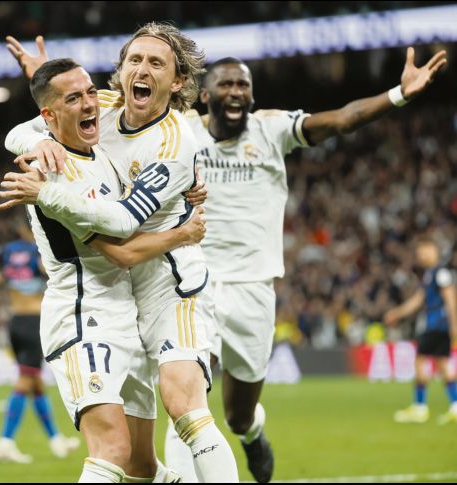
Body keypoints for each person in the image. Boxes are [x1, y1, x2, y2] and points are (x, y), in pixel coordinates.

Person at [163, 47, 448, 483]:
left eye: (243, 85)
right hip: (195, 286)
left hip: (254, 289)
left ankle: (252, 432)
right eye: (226, 84)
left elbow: (343, 119)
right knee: (186, 402)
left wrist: (398, 94)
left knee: (238, 415)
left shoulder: (271, 129)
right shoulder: (181, 133)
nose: (236, 91)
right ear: (205, 95)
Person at [1, 23, 238, 482]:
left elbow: (124, 225)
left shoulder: (174, 142)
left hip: (169, 285)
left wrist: (180, 235)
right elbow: (21, 131)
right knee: (137, 463)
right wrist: (41, 137)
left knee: (185, 407)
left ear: (178, 82)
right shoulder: (104, 107)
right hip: (116, 296)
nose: (142, 70)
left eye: (156, 63)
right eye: (134, 60)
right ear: (121, 69)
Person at [0, 218, 80, 464]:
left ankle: (56, 440)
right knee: (25, 382)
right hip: (35, 322)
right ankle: (5, 442)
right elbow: (53, 272)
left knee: (36, 384)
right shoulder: (41, 250)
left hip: (15, 321)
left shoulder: (6, 251)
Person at [384, 236, 457, 424]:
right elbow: (418, 300)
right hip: (438, 325)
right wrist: (398, 313)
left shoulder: (440, 273)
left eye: (425, 250)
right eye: (420, 252)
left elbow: (450, 299)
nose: (422, 255)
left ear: (434, 250)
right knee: (442, 365)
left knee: (420, 361)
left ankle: (419, 407)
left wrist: (454, 325)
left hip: (437, 325)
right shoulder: (430, 274)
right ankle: (455, 406)